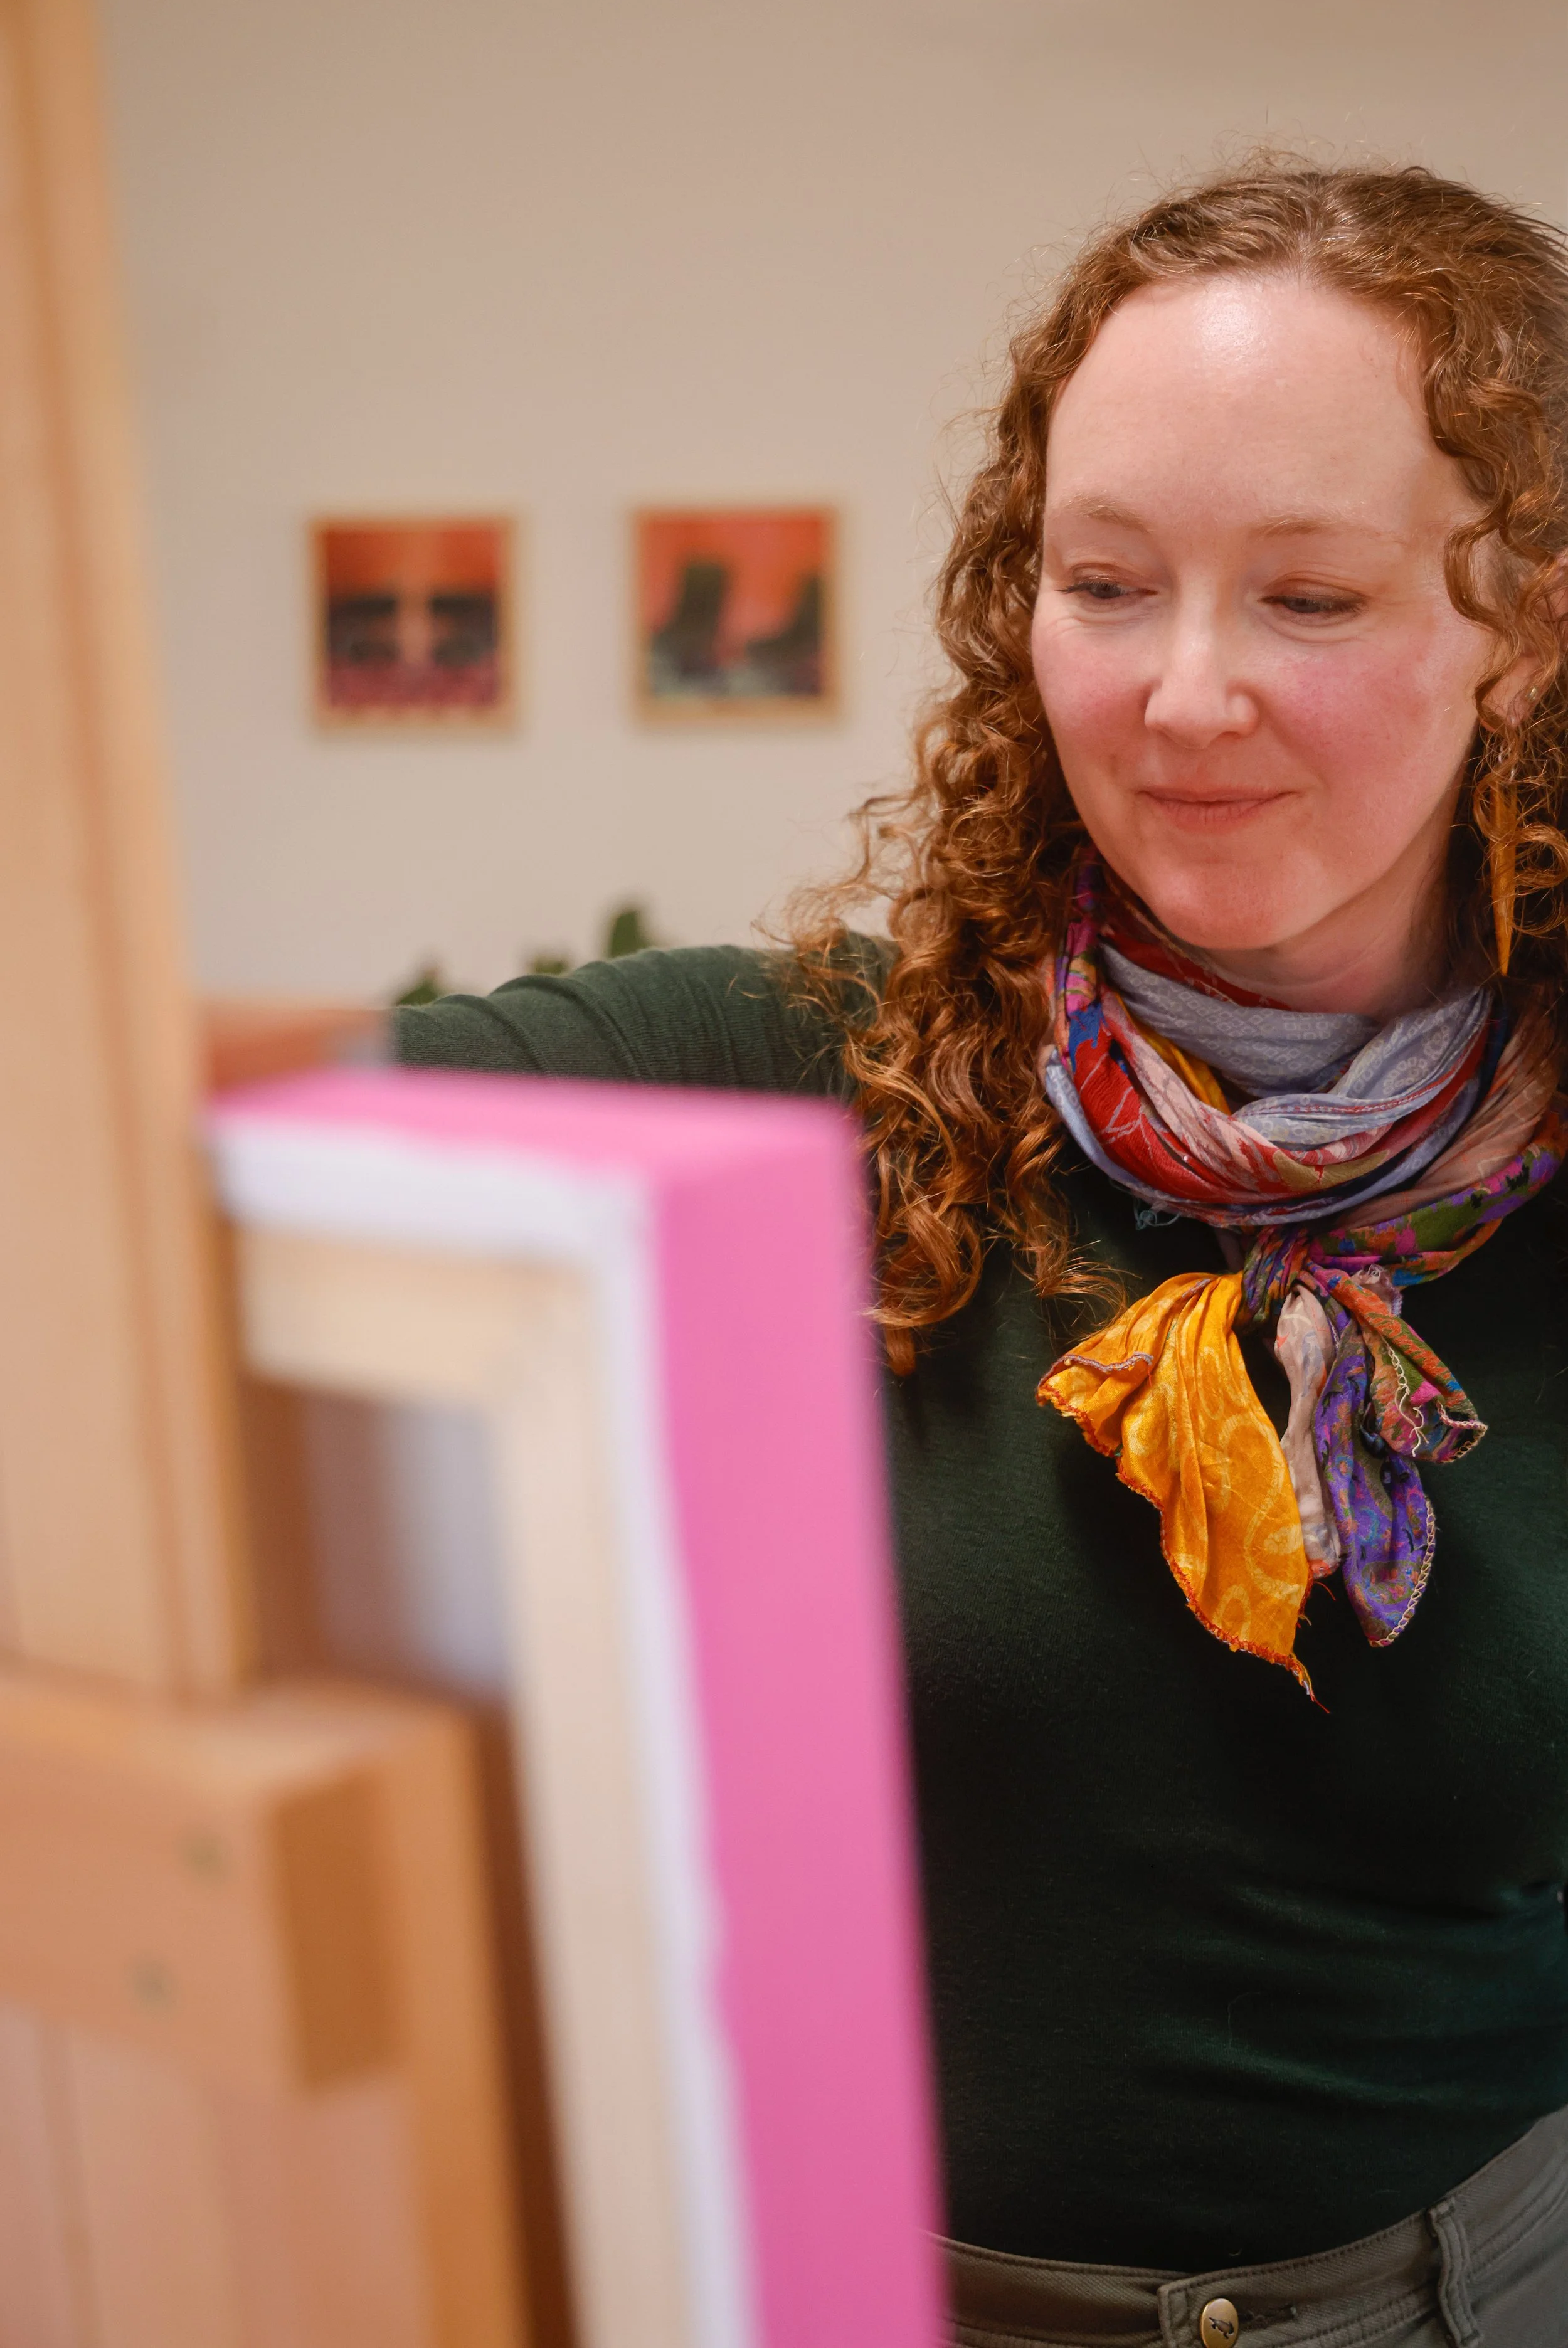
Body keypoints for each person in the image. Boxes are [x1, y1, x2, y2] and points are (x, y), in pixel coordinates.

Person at [398, 161, 1568, 2346]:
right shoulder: (766, 1083)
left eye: (1307, 600)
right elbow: (118, 1159)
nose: (1180, 693)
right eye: (1104, 581)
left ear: (1522, 637)